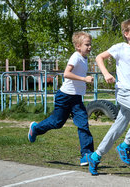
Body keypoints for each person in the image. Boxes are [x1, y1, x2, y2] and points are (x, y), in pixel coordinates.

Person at [87, 17, 130, 175]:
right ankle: (125, 145)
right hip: (124, 92)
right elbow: (99, 57)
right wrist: (105, 73)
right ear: (126, 34)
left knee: (118, 127)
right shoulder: (120, 48)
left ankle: (95, 156)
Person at [28, 31, 95, 167]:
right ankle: (36, 128)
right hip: (64, 96)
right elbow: (66, 74)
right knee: (57, 122)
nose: (89, 47)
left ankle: (86, 155)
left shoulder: (85, 58)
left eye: (90, 44)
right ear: (77, 46)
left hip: (76, 98)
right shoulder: (75, 57)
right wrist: (84, 79)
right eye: (87, 45)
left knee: (83, 124)